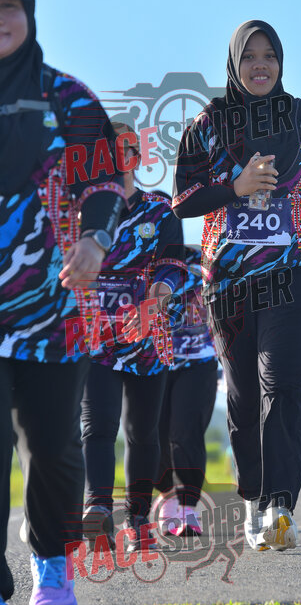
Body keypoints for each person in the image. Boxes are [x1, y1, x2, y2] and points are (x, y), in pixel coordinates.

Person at [173, 19, 301, 551]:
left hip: (297, 270)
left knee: (281, 383)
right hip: (230, 281)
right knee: (244, 392)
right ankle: (253, 498)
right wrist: (236, 187)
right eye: (249, 56)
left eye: (269, 55)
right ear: (235, 63)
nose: (260, 65)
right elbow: (181, 200)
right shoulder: (209, 123)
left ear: (281, 62)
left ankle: (280, 506)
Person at [0, 0, 125, 605]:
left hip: (57, 312)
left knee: (52, 449)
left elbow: (104, 181)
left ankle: (52, 565)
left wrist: (95, 240)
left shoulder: (67, 98)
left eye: (8, 7)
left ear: (29, 12)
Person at [80, 123, 183, 552]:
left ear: (138, 159)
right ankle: (98, 508)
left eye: (128, 150)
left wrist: (153, 301)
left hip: (148, 335)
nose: (119, 157)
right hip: (95, 335)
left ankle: (137, 519)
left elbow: (174, 265)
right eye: (109, 150)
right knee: (97, 425)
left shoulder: (159, 210)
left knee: (142, 432)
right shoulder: (81, 209)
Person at [154, 245, 218, 537]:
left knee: (186, 432)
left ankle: (188, 508)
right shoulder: (140, 258)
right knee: (154, 434)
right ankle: (167, 496)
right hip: (154, 362)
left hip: (199, 361)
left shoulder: (202, 260)